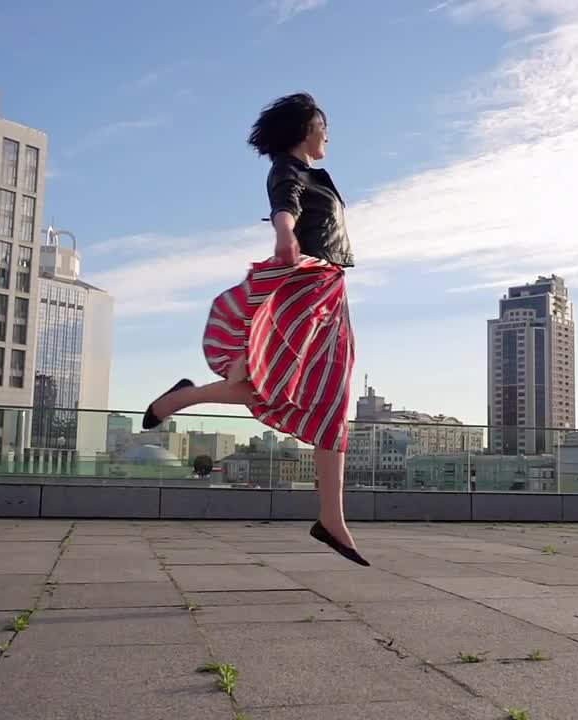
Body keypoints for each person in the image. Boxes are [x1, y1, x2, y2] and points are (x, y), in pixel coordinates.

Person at [142, 93, 367, 566]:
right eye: (323, 124)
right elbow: (284, 204)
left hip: (328, 290)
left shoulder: (313, 173)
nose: (328, 133)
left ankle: (332, 518)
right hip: (304, 283)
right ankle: (178, 399)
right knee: (282, 386)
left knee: (326, 400)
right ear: (305, 129)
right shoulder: (288, 169)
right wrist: (284, 232)